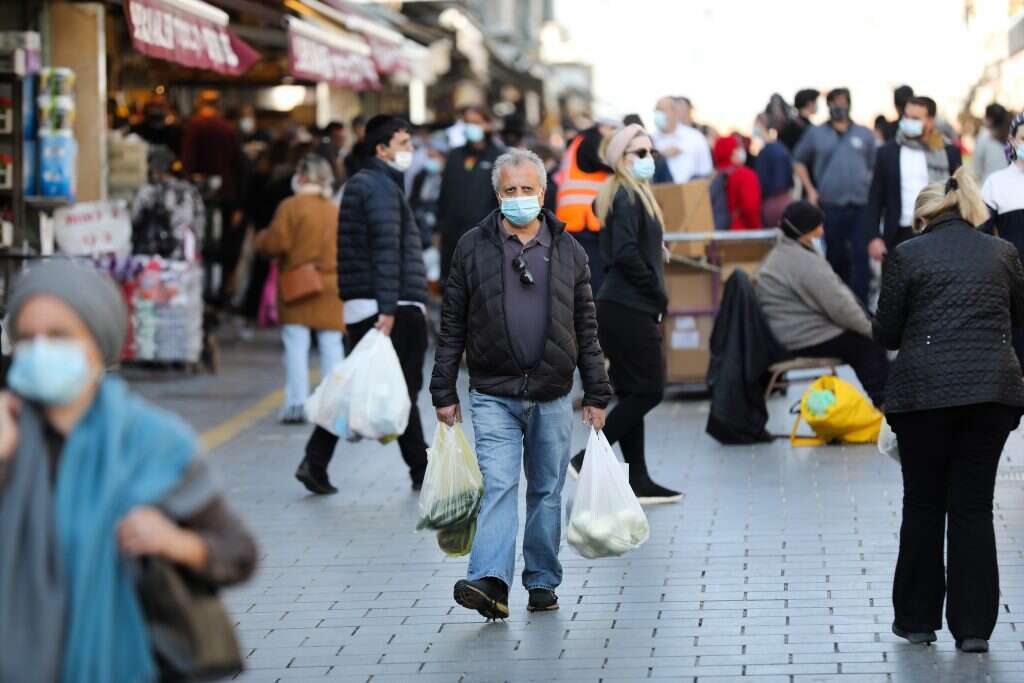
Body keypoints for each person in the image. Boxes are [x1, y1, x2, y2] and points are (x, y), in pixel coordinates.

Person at [0, 260, 257, 682]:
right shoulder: (10, 437)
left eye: (59, 335)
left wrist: (175, 542)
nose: (40, 348)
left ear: (96, 343)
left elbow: (238, 552)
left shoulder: (151, 442)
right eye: (27, 338)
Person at [430, 149, 611, 619]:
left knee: (547, 490)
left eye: (527, 189)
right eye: (510, 190)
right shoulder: (472, 246)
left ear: (543, 192)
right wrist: (443, 391)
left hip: (551, 391)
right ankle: (489, 580)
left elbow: (586, 327)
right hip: (493, 392)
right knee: (499, 486)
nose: (519, 198)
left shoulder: (569, 249)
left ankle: (542, 579)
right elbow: (452, 325)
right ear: (497, 194)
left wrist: (596, 393)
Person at [873, 166, 1024, 654]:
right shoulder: (1003, 253)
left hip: (923, 397)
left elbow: (886, 332)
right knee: (973, 507)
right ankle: (975, 628)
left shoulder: (907, 255)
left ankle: (918, 620)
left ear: (924, 218)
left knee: (922, 503)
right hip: (993, 394)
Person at [296, 115, 429, 495]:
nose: (410, 151)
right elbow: (386, 250)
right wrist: (387, 308)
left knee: (357, 386)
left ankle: (315, 461)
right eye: (403, 144)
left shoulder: (366, 184)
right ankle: (421, 469)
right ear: (381, 149)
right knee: (402, 389)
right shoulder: (380, 188)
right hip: (390, 304)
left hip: (366, 302)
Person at [564, 124, 683, 505]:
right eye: (639, 153)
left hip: (626, 304)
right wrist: (657, 291)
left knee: (633, 390)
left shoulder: (635, 195)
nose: (649, 159)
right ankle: (584, 460)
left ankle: (640, 479)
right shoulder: (626, 196)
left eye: (651, 152)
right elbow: (623, 254)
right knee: (649, 390)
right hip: (627, 306)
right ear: (620, 158)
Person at [756, 201, 888, 406]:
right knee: (864, 345)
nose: (822, 229)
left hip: (789, 333)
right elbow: (839, 305)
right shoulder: (801, 260)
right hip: (800, 338)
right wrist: (873, 331)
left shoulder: (785, 251)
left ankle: (887, 404)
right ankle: (887, 405)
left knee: (861, 338)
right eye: (818, 225)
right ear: (806, 230)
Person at [254, 154, 345, 424]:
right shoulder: (334, 209)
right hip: (330, 285)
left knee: (296, 346)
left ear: (303, 176)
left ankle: (296, 404)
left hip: (297, 284)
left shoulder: (290, 207)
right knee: (332, 346)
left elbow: (277, 243)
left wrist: (261, 240)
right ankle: (332, 406)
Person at [793, 87, 877, 302]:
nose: (839, 106)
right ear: (828, 105)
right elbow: (799, 161)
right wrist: (810, 189)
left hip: (860, 204)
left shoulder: (864, 134)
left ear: (849, 103)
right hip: (830, 205)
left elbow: (873, 166)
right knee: (835, 256)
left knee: (860, 256)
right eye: (835, 102)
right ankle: (837, 304)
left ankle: (861, 306)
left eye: (843, 101)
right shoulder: (816, 133)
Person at [865, 96, 963, 262]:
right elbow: (875, 198)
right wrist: (874, 237)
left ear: (931, 120)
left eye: (916, 119)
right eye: (907, 117)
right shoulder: (887, 152)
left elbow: (960, 194)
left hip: (939, 232)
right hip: (899, 234)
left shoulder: (948, 152)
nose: (909, 122)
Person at [181, 90, 248, 304]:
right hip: (227, 196)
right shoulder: (227, 129)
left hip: (199, 198)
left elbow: (187, 162)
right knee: (224, 247)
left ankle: (203, 292)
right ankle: (219, 292)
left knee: (200, 245)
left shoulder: (194, 126)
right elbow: (240, 166)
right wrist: (239, 204)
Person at [437, 106, 504, 281]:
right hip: (452, 237)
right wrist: (439, 229)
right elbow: (444, 194)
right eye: (467, 123)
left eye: (475, 122)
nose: (470, 127)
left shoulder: (499, 157)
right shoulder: (455, 155)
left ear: (488, 125)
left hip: (485, 237)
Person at [555, 123, 616, 298]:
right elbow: (610, 163)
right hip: (585, 222)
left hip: (576, 221)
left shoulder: (578, 142)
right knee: (594, 284)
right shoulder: (591, 141)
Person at [131, 145, 205, 261]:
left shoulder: (147, 193)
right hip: (184, 257)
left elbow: (135, 220)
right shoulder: (190, 191)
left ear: (153, 168)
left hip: (152, 258)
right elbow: (199, 224)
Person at [650, 96, 713, 184]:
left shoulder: (695, 137)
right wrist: (661, 155)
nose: (658, 114)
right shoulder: (650, 139)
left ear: (674, 113)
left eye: (662, 110)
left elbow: (706, 171)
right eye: (656, 110)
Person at [712, 134, 763, 230]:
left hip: (716, 233)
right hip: (741, 234)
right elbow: (750, 208)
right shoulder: (745, 175)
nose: (741, 150)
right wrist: (756, 230)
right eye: (738, 147)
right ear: (732, 151)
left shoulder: (713, 176)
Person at [975, 103, 1011, 184]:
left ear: (990, 119)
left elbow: (977, 166)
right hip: (1008, 184)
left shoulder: (984, 136)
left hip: (989, 184)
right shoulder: (1011, 136)